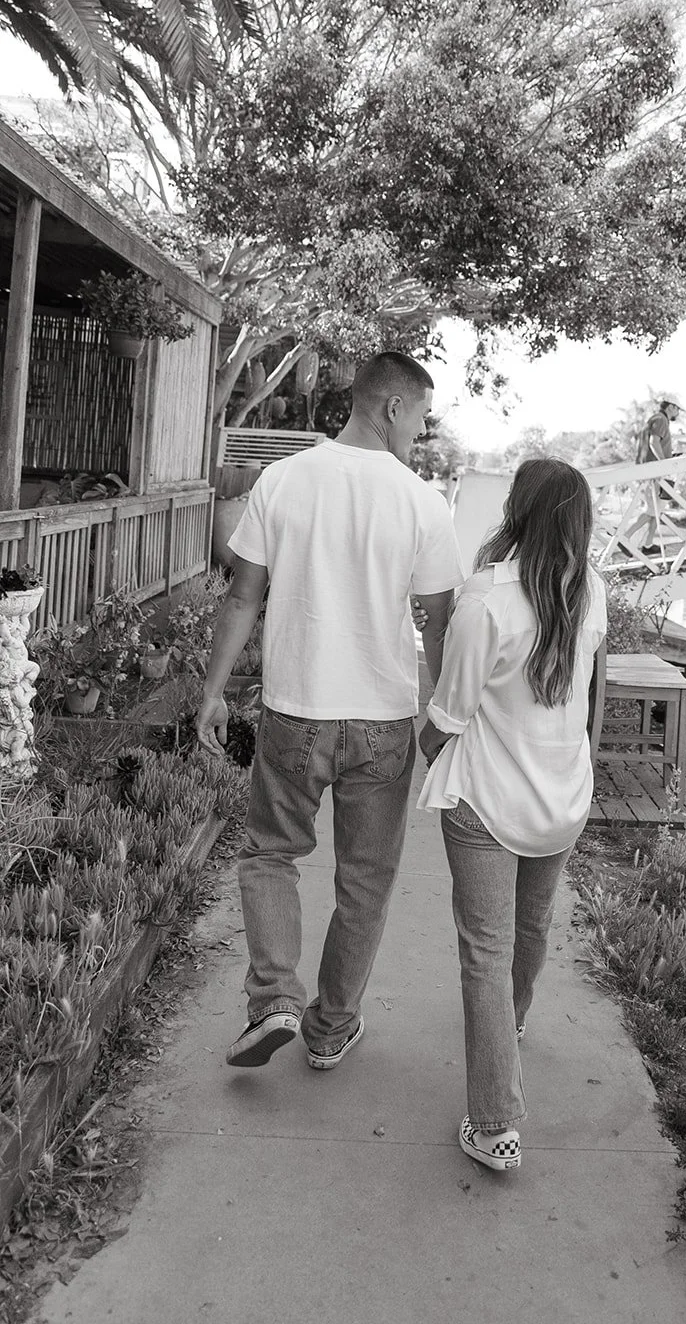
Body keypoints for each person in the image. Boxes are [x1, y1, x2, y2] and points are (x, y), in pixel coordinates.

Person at [196, 351, 465, 1070]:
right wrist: (441, 714)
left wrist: (213, 692)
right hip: (380, 719)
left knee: (269, 856)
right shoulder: (421, 502)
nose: (422, 432)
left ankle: (275, 999)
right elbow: (438, 621)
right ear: (391, 407)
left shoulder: (283, 480)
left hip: (295, 711)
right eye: (421, 415)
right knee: (365, 879)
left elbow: (243, 597)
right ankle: (329, 1026)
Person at [417, 459, 608, 1172]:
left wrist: (421, 747)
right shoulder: (591, 589)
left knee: (484, 955)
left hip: (489, 803)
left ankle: (494, 1124)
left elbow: (448, 713)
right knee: (530, 927)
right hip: (561, 798)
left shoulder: (487, 600)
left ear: (516, 511)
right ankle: (513, 1023)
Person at [630, 393, 683, 552]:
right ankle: (624, 536)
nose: (678, 413)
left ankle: (647, 544)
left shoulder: (656, 419)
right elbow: (654, 442)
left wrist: (668, 456)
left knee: (657, 510)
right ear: (671, 407)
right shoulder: (660, 420)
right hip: (654, 472)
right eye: (678, 409)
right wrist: (664, 463)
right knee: (652, 511)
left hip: (652, 471)